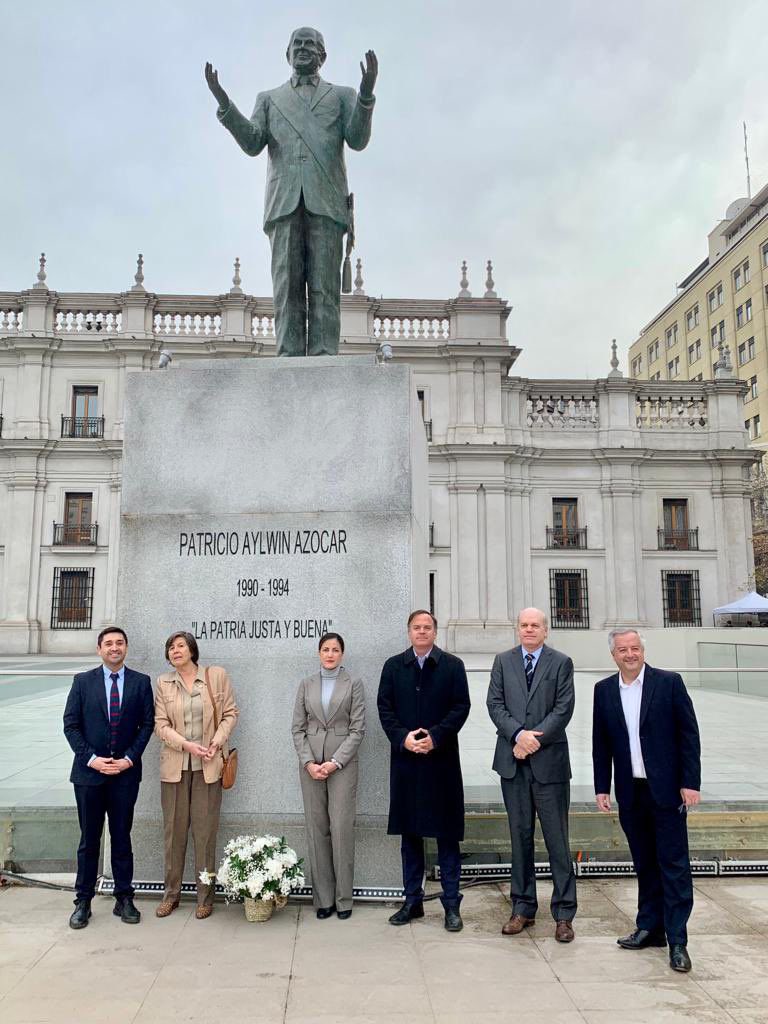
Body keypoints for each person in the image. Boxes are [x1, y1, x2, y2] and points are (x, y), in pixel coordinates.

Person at [205, 27, 377, 356]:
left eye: (311, 45)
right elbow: (254, 142)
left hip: (325, 201)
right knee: (286, 288)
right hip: (284, 202)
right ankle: (288, 356)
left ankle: (325, 355)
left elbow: (357, 139)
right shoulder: (269, 99)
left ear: (323, 56)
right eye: (297, 44)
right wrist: (224, 103)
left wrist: (366, 94)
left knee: (325, 289)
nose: (303, 49)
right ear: (287, 54)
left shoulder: (341, 96)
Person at [592, 628, 701, 973]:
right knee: (644, 863)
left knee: (673, 865)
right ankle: (650, 928)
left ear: (642, 650)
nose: (630, 654)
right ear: (614, 655)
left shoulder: (669, 684)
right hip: (630, 791)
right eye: (623, 649)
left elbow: (689, 736)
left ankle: (678, 940)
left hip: (667, 790)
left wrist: (690, 783)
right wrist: (601, 787)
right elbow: (601, 743)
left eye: (635, 648)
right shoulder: (604, 690)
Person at [486, 608, 577, 942]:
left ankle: (564, 914)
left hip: (548, 764)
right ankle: (522, 908)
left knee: (557, 841)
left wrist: (532, 739)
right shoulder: (503, 661)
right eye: (523, 625)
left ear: (545, 630)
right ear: (517, 629)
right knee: (519, 838)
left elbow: (563, 709)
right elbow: (494, 704)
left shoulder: (561, 663)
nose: (528, 630)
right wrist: (516, 736)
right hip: (513, 763)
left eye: (534, 625)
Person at [377, 610, 470, 932]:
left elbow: (461, 706)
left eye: (427, 627)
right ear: (408, 632)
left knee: (446, 837)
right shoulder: (393, 666)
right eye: (416, 628)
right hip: (406, 763)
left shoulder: (452, 666)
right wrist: (404, 738)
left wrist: (436, 736)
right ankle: (412, 901)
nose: (421, 632)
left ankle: (451, 906)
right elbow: (384, 707)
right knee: (410, 836)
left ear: (435, 631)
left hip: (440, 762)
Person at [63, 626, 154, 929]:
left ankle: (124, 897)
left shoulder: (141, 683)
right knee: (89, 840)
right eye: (109, 644)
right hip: (89, 775)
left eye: (119, 643)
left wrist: (128, 759)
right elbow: (71, 726)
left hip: (125, 776)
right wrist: (93, 759)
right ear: (100, 649)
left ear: (126, 647)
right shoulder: (82, 682)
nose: (114, 648)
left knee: (121, 837)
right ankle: (83, 900)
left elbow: (147, 725)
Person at [153, 631, 239, 919]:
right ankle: (171, 894)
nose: (175, 651)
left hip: (209, 768)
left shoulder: (215, 676)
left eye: (180, 646)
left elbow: (230, 713)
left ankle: (205, 896)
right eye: (170, 648)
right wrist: (186, 744)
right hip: (175, 768)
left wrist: (216, 741)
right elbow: (161, 725)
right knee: (173, 835)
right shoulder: (163, 683)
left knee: (205, 835)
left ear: (192, 649)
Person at [291, 632, 366, 919]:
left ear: (342, 654)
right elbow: (298, 728)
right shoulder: (306, 684)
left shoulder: (354, 683)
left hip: (341, 765)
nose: (330, 654)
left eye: (335, 649)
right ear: (319, 653)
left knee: (342, 828)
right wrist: (309, 762)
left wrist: (335, 762)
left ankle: (344, 899)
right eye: (325, 649)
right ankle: (323, 899)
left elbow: (358, 729)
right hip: (310, 765)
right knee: (316, 828)